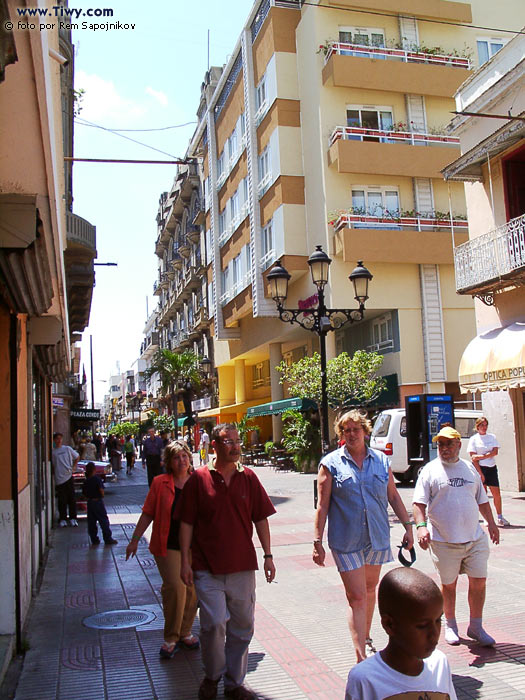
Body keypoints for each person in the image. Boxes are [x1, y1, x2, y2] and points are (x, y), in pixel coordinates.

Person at [178, 423, 276, 700]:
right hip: (206, 567)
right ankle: (212, 676)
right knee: (214, 624)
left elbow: (260, 518)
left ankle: (234, 683)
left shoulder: (249, 478)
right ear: (215, 446)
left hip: (242, 566)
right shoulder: (198, 479)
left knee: (243, 627)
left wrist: (268, 556)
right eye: (227, 441)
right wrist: (185, 561)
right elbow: (186, 522)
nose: (235, 446)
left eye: (237, 440)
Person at [313, 410, 414, 663]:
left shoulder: (381, 461)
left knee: (370, 590)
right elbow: (322, 505)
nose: (351, 434)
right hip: (346, 540)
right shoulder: (331, 463)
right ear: (341, 434)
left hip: (377, 536)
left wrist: (408, 526)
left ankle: (366, 639)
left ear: (365, 431)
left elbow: (392, 495)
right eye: (346, 430)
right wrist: (317, 541)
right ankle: (361, 657)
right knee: (356, 596)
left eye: (356, 429)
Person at [413, 426, 499, 647]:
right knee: (448, 585)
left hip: (474, 539)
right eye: (441, 444)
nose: (444, 448)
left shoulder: (470, 470)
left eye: (449, 443)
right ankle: (451, 625)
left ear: (459, 445)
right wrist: (421, 527)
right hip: (444, 541)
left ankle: (476, 626)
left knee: (479, 582)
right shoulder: (430, 471)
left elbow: (482, 500)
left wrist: (491, 523)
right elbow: (418, 504)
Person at [126, 441, 199, 658]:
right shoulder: (160, 483)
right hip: (168, 545)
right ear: (169, 461)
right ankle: (171, 636)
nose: (182, 461)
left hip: (195, 545)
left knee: (193, 591)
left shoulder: (198, 481)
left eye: (184, 456)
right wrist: (135, 539)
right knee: (176, 587)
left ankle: (185, 631)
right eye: (176, 457)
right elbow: (148, 512)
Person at [345, 567, 457, 700]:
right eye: (422, 626)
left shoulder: (439, 663)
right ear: (389, 625)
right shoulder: (365, 679)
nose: (434, 633)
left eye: (438, 620)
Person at [468, 416, 509, 527]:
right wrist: (480, 473)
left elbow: (495, 452)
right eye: (482, 425)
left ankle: (500, 517)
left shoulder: (492, 437)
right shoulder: (474, 439)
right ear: (477, 426)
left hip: (491, 468)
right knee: (483, 495)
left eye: (486, 425)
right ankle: (487, 518)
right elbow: (473, 457)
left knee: (496, 494)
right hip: (480, 469)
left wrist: (482, 456)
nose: (484, 427)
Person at [81, 462, 117, 545]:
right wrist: (102, 495)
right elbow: (101, 490)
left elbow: (84, 494)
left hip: (90, 502)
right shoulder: (97, 479)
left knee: (91, 522)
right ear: (94, 470)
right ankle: (107, 538)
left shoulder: (86, 481)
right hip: (98, 501)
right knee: (103, 520)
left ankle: (94, 539)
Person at [52, 433, 79, 527]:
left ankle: (73, 518)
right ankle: (63, 518)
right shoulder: (53, 452)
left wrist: (74, 466)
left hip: (68, 476)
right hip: (59, 479)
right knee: (61, 500)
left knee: (71, 498)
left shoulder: (67, 449)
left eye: (60, 438)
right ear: (54, 440)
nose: (59, 440)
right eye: (57, 439)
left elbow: (77, 456)